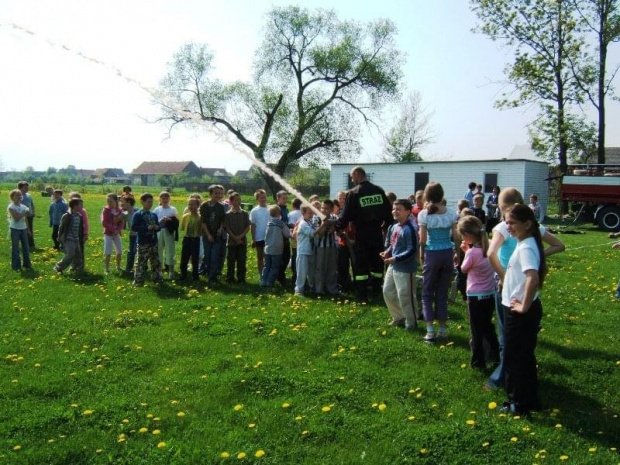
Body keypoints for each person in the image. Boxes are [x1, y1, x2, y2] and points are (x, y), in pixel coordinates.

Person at [486, 187, 565, 390]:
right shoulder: (532, 226)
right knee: (522, 340)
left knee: (507, 336)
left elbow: (491, 253)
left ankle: (502, 378)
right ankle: (518, 378)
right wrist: (535, 258)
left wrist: (505, 276)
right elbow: (559, 245)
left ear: (502, 207)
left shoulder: (504, 226)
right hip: (526, 289)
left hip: (510, 286)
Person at [500, 204, 548, 415]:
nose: (507, 226)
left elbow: (532, 277)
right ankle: (530, 399)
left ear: (527, 224)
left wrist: (524, 305)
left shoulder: (527, 246)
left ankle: (516, 403)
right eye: (506, 222)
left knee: (514, 358)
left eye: (512, 223)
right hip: (521, 310)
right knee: (525, 356)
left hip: (520, 313)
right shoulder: (525, 243)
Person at [335, 166, 393, 302]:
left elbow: (346, 216)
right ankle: (377, 291)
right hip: (377, 234)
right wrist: (386, 224)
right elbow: (388, 212)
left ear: (357, 175)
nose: (351, 179)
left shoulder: (354, 193)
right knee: (377, 264)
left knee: (361, 265)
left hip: (361, 234)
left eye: (352, 176)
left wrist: (337, 226)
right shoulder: (378, 190)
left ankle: (361, 295)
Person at [418, 182, 458, 343]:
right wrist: (458, 254)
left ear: (427, 196)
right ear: (441, 195)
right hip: (447, 253)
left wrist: (421, 254)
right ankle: (442, 329)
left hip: (432, 253)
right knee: (442, 293)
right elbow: (456, 236)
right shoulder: (450, 213)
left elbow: (422, 240)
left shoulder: (424, 215)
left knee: (427, 292)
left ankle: (429, 331)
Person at [458, 215, 500, 369]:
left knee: (476, 331)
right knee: (488, 327)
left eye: (462, 235)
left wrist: (465, 251)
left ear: (468, 236)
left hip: (475, 296)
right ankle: (497, 356)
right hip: (489, 294)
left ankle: (478, 362)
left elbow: (463, 269)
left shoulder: (472, 252)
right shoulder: (489, 247)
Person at [381, 199, 418, 330]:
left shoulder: (410, 228)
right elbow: (393, 244)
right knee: (387, 291)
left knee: (405, 295)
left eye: (398, 209)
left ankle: (411, 321)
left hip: (406, 268)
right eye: (393, 209)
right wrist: (387, 252)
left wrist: (395, 258)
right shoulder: (394, 226)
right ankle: (398, 317)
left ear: (408, 212)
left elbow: (412, 249)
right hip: (393, 265)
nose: (394, 212)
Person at [132, 193, 163, 286]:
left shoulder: (153, 214)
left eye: (151, 202)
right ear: (142, 202)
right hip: (143, 243)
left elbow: (158, 226)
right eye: (148, 202)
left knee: (155, 262)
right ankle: (138, 281)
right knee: (141, 263)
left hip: (153, 242)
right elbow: (134, 227)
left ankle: (157, 279)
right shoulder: (138, 214)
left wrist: (157, 227)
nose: (150, 204)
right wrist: (147, 228)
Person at [199, 185, 226, 285]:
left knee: (215, 257)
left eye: (220, 193)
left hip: (217, 236)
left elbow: (223, 220)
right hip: (207, 235)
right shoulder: (204, 206)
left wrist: (220, 229)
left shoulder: (221, 207)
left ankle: (212, 278)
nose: (218, 195)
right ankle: (207, 272)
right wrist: (208, 235)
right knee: (208, 256)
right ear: (210, 194)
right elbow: (203, 222)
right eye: (216, 193)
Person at [313, 199, 339, 295]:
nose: (323, 210)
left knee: (332, 268)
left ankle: (332, 288)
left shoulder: (334, 217)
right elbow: (318, 234)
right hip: (320, 246)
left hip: (331, 245)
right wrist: (324, 225)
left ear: (332, 209)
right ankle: (319, 289)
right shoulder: (316, 218)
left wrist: (332, 225)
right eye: (322, 208)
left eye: (326, 209)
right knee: (320, 267)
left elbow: (337, 223)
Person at [223, 192, 251, 284]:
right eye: (236, 200)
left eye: (239, 200)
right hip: (231, 242)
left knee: (241, 260)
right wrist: (234, 237)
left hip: (242, 242)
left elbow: (247, 227)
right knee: (230, 260)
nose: (238, 201)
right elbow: (227, 228)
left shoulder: (245, 213)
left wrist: (240, 237)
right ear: (231, 202)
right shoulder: (227, 215)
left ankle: (241, 279)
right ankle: (230, 278)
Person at [261, 205, 291, 287]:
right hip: (277, 249)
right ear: (278, 213)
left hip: (267, 248)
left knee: (267, 266)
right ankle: (270, 282)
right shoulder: (280, 223)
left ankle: (263, 281)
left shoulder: (269, 223)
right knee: (275, 267)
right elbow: (287, 234)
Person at [54, 198, 84, 274]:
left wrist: (81, 237)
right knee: (71, 254)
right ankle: (59, 267)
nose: (82, 207)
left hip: (76, 238)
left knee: (78, 255)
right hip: (68, 238)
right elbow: (61, 227)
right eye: (80, 205)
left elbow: (80, 229)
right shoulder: (67, 216)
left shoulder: (79, 216)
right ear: (74, 206)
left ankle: (75, 269)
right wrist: (60, 236)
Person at [153, 191, 178, 280]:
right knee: (158, 251)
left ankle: (171, 271)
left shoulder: (172, 209)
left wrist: (170, 220)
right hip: (159, 232)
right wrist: (161, 220)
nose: (165, 199)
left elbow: (176, 221)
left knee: (170, 251)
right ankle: (159, 271)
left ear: (169, 199)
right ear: (160, 199)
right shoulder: (157, 209)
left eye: (167, 198)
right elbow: (154, 221)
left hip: (169, 232)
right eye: (163, 198)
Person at [293, 205, 315, 296]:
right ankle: (298, 291)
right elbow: (312, 233)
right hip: (303, 251)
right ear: (303, 213)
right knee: (302, 272)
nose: (311, 214)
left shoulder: (309, 222)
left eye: (312, 213)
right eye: (309, 213)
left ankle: (312, 287)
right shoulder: (303, 223)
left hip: (310, 251)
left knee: (311, 271)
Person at [8, 189, 32, 271]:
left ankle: (27, 265)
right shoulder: (11, 207)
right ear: (12, 197)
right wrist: (24, 213)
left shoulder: (23, 207)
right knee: (15, 248)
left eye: (20, 195)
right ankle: (16, 266)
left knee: (26, 247)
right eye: (17, 195)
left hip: (23, 229)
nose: (19, 196)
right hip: (15, 229)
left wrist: (28, 229)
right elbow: (17, 218)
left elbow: (26, 219)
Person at [101, 193, 124, 274]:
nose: (109, 203)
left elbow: (121, 222)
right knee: (108, 251)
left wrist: (117, 230)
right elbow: (104, 222)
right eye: (108, 201)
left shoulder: (120, 210)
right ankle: (106, 269)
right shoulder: (105, 210)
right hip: (108, 234)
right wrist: (112, 229)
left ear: (116, 201)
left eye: (111, 201)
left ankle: (118, 266)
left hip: (116, 234)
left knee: (119, 251)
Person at [180, 197, 202, 281]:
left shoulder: (200, 217)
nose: (190, 206)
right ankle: (183, 274)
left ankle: (195, 275)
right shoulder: (185, 216)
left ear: (197, 205)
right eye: (189, 204)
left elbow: (201, 230)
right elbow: (182, 227)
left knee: (195, 258)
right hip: (187, 239)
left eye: (192, 204)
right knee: (184, 257)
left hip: (195, 239)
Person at [250, 189, 270, 276]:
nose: (263, 199)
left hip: (269, 237)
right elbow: (253, 225)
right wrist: (253, 238)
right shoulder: (254, 211)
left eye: (264, 197)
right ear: (257, 199)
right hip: (259, 237)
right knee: (260, 256)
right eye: (261, 198)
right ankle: (261, 274)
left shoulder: (270, 209)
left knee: (268, 257)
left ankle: (267, 273)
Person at [68, 192, 90, 270]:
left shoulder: (82, 211)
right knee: (72, 250)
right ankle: (73, 265)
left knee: (80, 251)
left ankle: (80, 266)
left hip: (80, 234)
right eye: (70, 199)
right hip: (71, 234)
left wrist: (86, 234)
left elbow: (86, 223)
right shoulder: (69, 211)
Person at [276, 190, 291, 286]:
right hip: (279, 237)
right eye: (283, 198)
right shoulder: (277, 209)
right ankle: (280, 276)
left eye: (286, 198)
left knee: (286, 257)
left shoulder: (286, 209)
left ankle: (280, 275)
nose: (285, 200)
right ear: (278, 198)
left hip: (286, 237)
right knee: (280, 258)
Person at [288, 198, 303, 287]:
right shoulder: (303, 213)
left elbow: (290, 225)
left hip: (294, 240)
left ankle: (295, 277)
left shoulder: (291, 214)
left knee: (295, 257)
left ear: (293, 206)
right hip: (303, 240)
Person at [121, 194, 137, 273]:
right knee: (131, 251)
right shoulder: (124, 213)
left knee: (138, 252)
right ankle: (128, 268)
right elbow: (116, 220)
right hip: (132, 235)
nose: (121, 204)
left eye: (123, 202)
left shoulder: (137, 211)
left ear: (129, 202)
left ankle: (141, 268)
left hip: (140, 235)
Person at [17, 181, 35, 249]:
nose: (27, 188)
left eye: (27, 187)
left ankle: (31, 245)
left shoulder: (28, 195)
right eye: (25, 187)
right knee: (20, 231)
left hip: (30, 216)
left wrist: (33, 212)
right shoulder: (18, 196)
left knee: (30, 230)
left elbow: (32, 204)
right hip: (21, 216)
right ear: (20, 188)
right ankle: (19, 245)